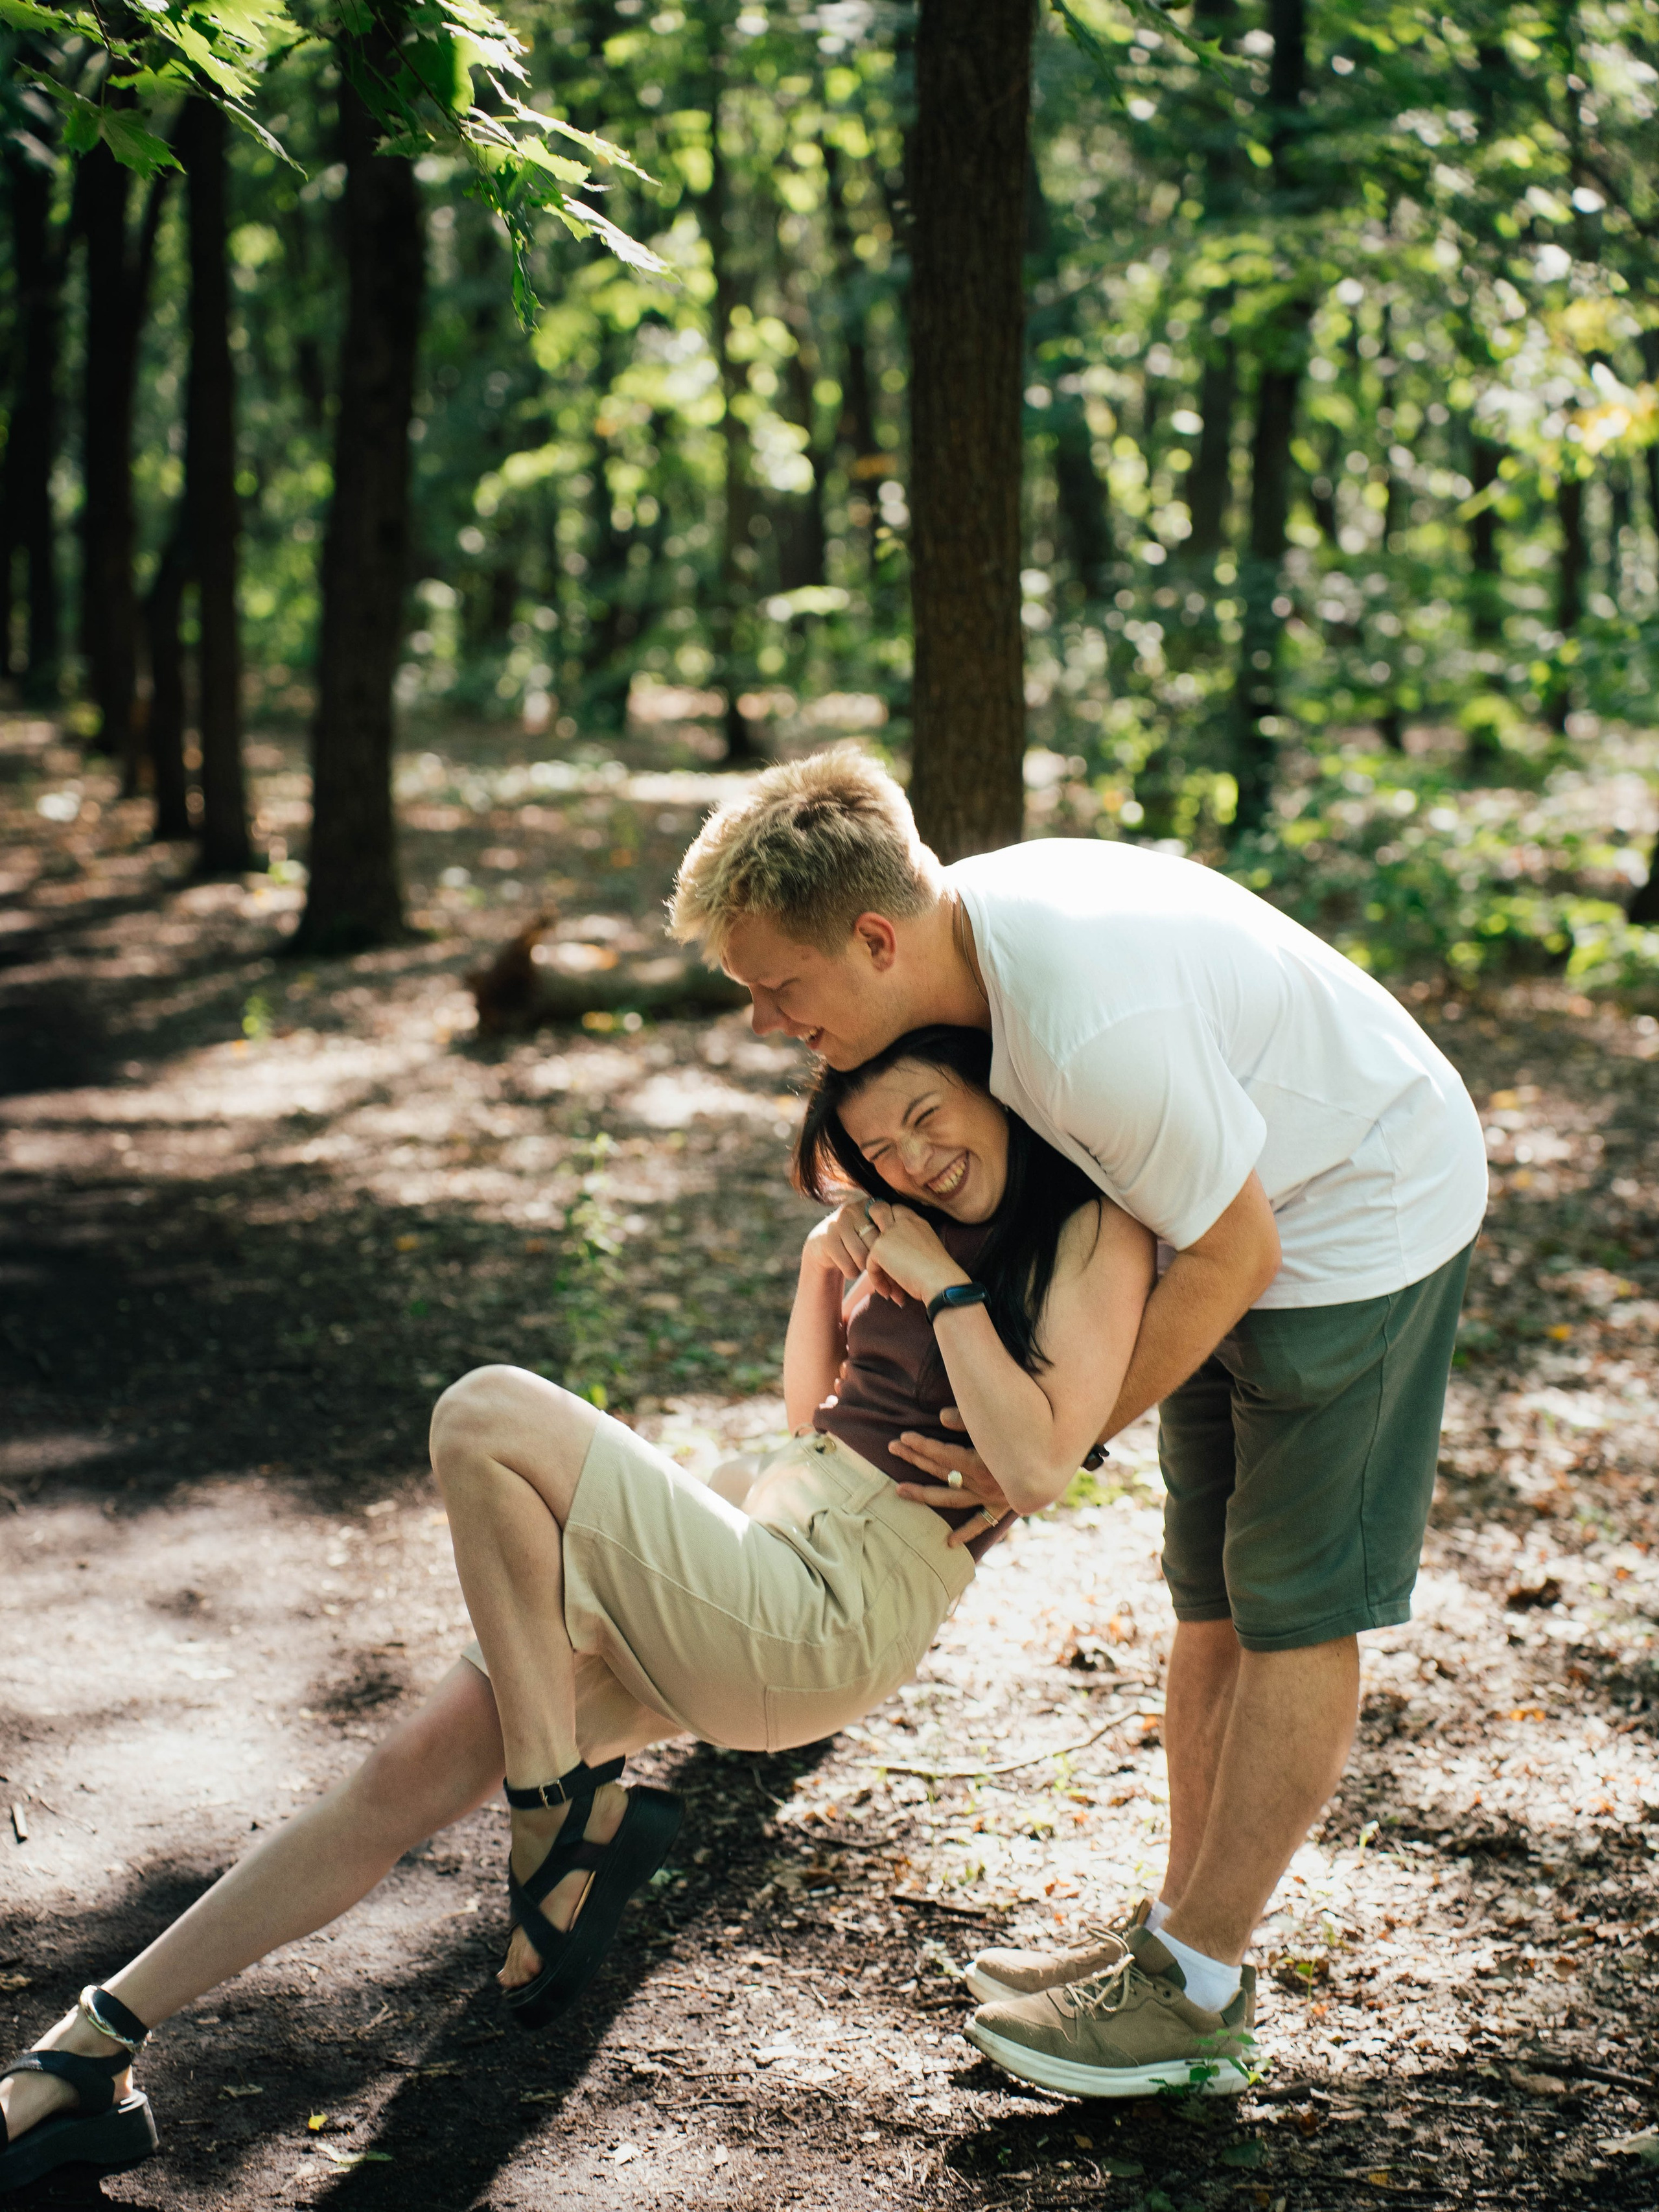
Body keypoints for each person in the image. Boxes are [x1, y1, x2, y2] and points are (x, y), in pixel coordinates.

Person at [0, 1028, 1171, 2196]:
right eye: (880, 1147)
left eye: (928, 1115)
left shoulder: (1088, 1227)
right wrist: (830, 1267)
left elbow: (1034, 1467)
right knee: (401, 1778)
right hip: (766, 1537)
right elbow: (813, 1414)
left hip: (837, 1600)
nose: (914, 1158)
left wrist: (945, 1285)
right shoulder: (904, 1223)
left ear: (990, 1089)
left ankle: (552, 1805)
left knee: (485, 1411)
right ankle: (91, 2045)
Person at [669, 745, 1487, 2099]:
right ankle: (1170, 1941)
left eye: (779, 986)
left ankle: (1198, 1990)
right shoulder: (966, 956)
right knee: (1209, 1594)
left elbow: (1241, 1253)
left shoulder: (1078, 1030)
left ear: (873, 938)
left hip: (1356, 1211)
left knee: (1292, 1604)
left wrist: (1044, 1447)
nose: (765, 1022)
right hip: (1222, 1216)